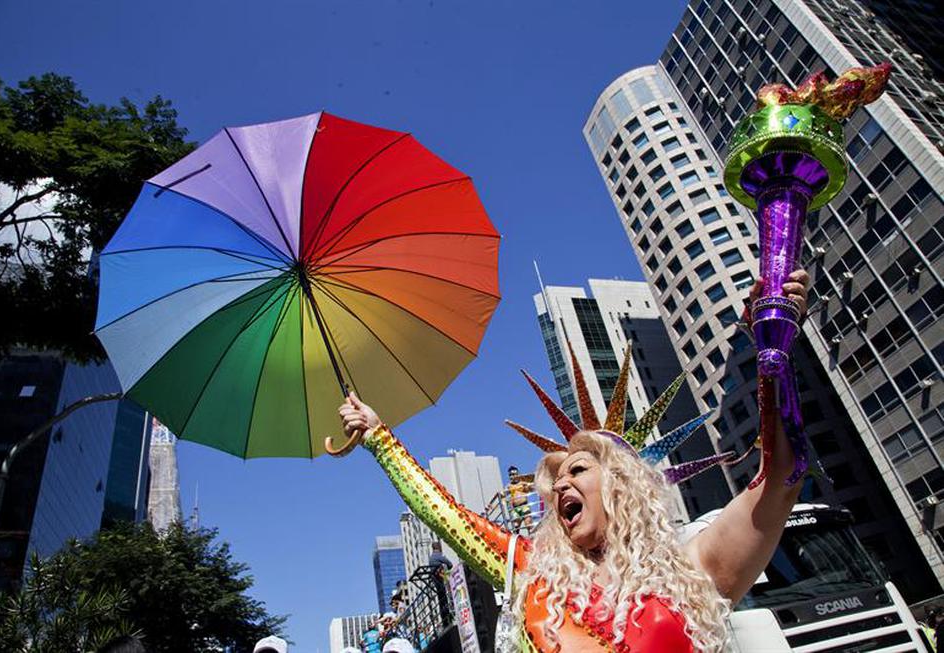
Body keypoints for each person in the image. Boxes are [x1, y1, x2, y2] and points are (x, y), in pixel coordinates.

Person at [340, 273, 810, 651]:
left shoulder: (693, 569)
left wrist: (773, 348)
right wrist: (381, 439)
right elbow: (445, 515)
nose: (561, 485)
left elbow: (781, 481)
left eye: (578, 470)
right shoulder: (534, 572)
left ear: (623, 485)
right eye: (557, 481)